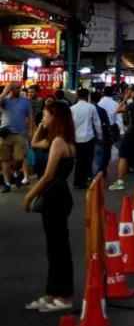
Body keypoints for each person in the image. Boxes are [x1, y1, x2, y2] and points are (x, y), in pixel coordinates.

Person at [22, 99, 76, 313]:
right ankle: (51, 293)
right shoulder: (60, 140)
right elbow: (34, 142)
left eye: (46, 115)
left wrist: (28, 196)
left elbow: (47, 176)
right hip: (58, 198)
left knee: (59, 249)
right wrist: (43, 126)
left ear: (56, 117)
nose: (42, 117)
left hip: (56, 199)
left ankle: (65, 297)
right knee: (54, 249)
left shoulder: (59, 143)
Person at [110, 85, 134, 191]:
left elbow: (117, 110)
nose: (130, 93)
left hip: (131, 133)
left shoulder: (133, 104)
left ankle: (119, 182)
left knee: (123, 156)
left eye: (132, 91)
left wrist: (125, 99)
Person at [1, 80, 33, 192]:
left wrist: (30, 131)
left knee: (19, 158)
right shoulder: (4, 100)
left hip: (19, 134)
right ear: (10, 88)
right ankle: (7, 183)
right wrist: (5, 91)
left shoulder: (25, 101)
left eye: (19, 87)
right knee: (5, 159)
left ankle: (15, 172)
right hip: (5, 133)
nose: (19, 89)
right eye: (16, 88)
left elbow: (30, 116)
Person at [69, 89, 102, 190]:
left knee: (79, 160)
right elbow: (97, 123)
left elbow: (70, 124)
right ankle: (85, 179)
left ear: (78, 96)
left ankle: (77, 180)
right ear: (87, 96)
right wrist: (100, 136)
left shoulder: (72, 108)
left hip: (76, 138)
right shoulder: (91, 107)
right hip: (88, 138)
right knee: (88, 160)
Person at [90, 91, 115, 179]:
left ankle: (92, 174)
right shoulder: (101, 110)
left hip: (88, 136)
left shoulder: (88, 109)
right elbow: (107, 124)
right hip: (100, 135)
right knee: (100, 155)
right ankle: (99, 173)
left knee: (91, 156)